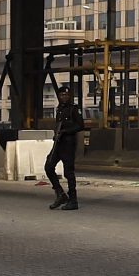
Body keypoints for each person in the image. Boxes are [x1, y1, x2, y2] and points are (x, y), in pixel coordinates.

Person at [45, 82, 83, 211]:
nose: (64, 97)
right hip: (59, 143)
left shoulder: (73, 109)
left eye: (66, 95)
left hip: (68, 144)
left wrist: (66, 131)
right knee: (49, 166)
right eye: (62, 95)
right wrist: (56, 134)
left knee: (68, 173)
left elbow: (80, 125)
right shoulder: (59, 109)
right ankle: (60, 194)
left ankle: (73, 200)